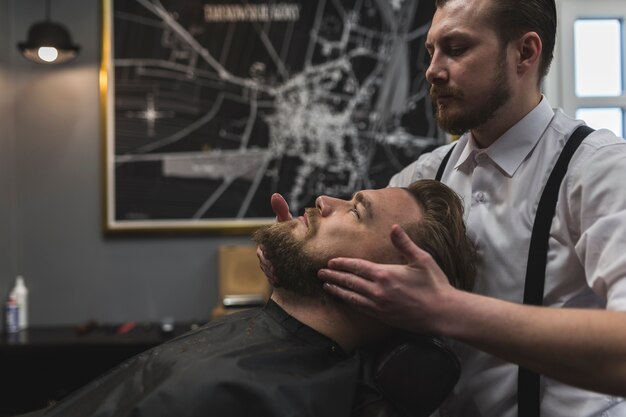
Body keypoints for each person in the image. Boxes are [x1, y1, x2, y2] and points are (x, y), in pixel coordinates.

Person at [306, 0, 626, 416]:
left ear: (525, 53)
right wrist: (294, 256)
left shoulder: (598, 168)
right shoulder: (424, 175)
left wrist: (446, 310)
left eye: (456, 49)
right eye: (431, 51)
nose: (432, 71)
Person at [20, 180, 475, 417]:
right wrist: (289, 272)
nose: (323, 200)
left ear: (387, 281)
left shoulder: (267, 400)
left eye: (355, 211)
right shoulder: (278, 352)